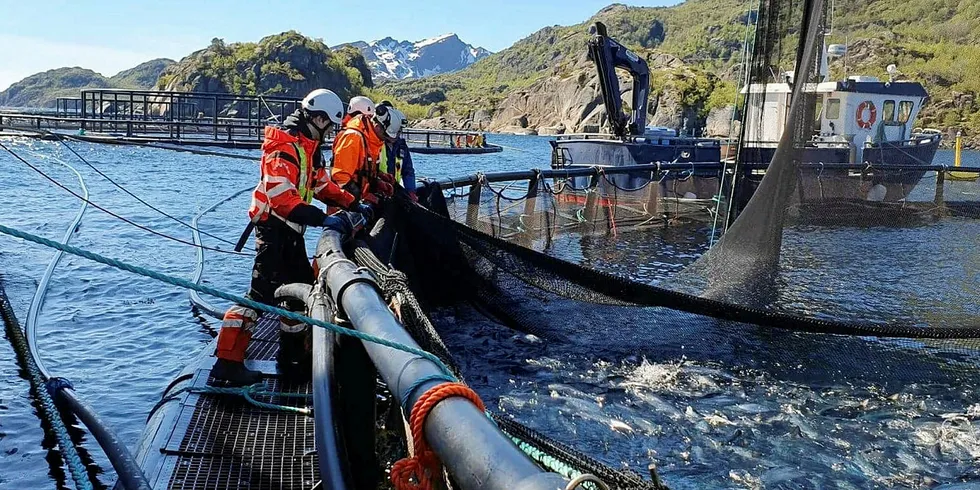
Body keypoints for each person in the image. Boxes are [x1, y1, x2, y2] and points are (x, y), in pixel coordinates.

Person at [215, 88, 371, 385]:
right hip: (274, 232)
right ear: (318, 118)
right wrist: (322, 218)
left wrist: (351, 202)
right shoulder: (284, 147)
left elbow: (321, 183)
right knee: (258, 298)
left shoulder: (308, 147)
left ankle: (291, 357)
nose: (328, 131)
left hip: (292, 232)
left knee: (300, 292)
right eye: (327, 124)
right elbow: (281, 198)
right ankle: (227, 363)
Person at [331, 100, 398, 204]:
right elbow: (341, 177)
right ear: (378, 127)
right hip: (343, 206)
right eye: (386, 136)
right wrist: (362, 198)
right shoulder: (354, 137)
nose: (386, 140)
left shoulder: (372, 140)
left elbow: (364, 172)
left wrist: (378, 181)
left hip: (357, 203)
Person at [377, 107, 418, 200]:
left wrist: (411, 191)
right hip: (378, 192)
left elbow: (408, 171)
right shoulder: (376, 144)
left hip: (394, 191)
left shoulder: (401, 146)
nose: (397, 133)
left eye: (400, 130)